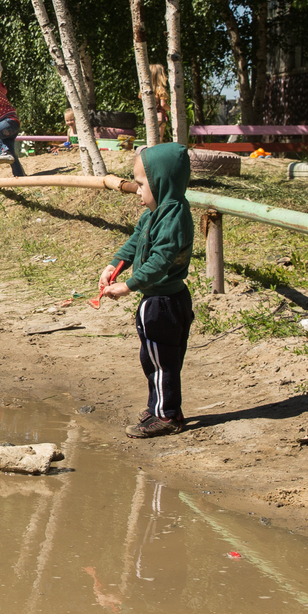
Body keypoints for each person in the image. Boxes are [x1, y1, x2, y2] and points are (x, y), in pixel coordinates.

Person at [97, 143, 195, 438]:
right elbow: (135, 242)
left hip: (164, 302)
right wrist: (114, 267)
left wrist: (128, 286)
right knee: (152, 359)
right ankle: (157, 406)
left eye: (141, 184)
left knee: (163, 361)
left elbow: (161, 260)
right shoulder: (154, 213)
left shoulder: (174, 215)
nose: (137, 191)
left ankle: (167, 416)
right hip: (157, 299)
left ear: (160, 182)